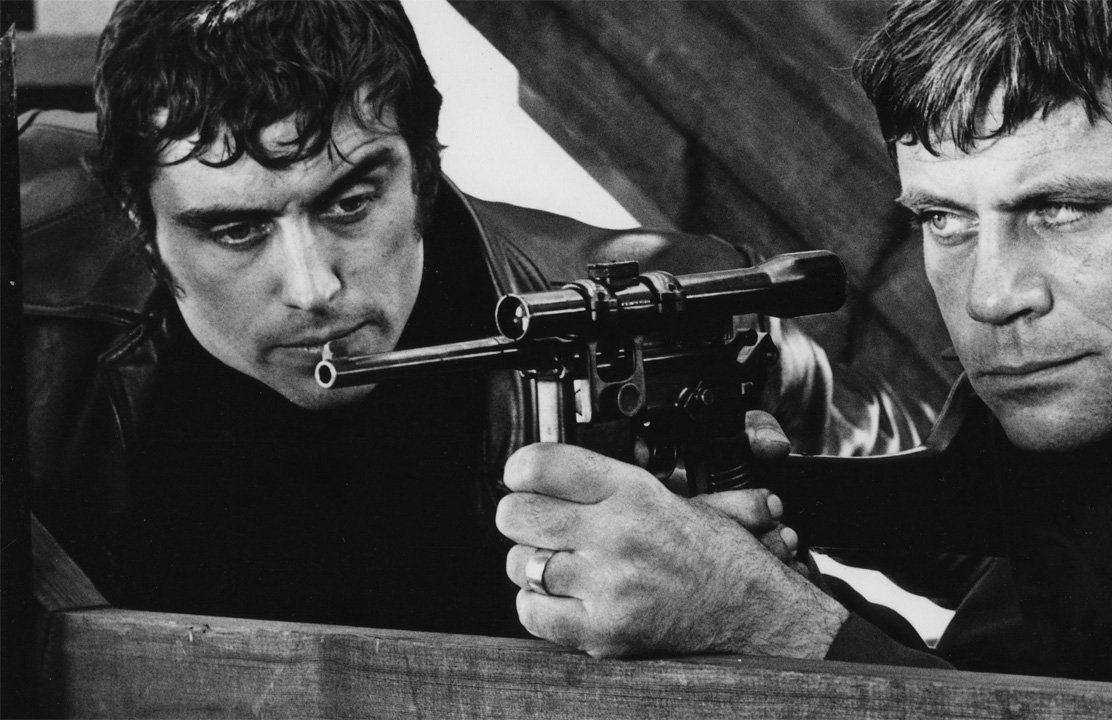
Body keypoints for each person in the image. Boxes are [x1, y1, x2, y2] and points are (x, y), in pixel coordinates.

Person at [22, 0, 853, 636]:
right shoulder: (34, 313)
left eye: (350, 202)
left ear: (421, 164)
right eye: (236, 230)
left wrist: (757, 597)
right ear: (139, 219)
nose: (312, 288)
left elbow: (922, 575)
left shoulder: (688, 311)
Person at [497, 0, 1112, 690]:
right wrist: (757, 526)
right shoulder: (1098, 380)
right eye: (944, 219)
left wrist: (771, 623)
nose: (991, 296)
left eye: (1061, 210)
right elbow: (1013, 678)